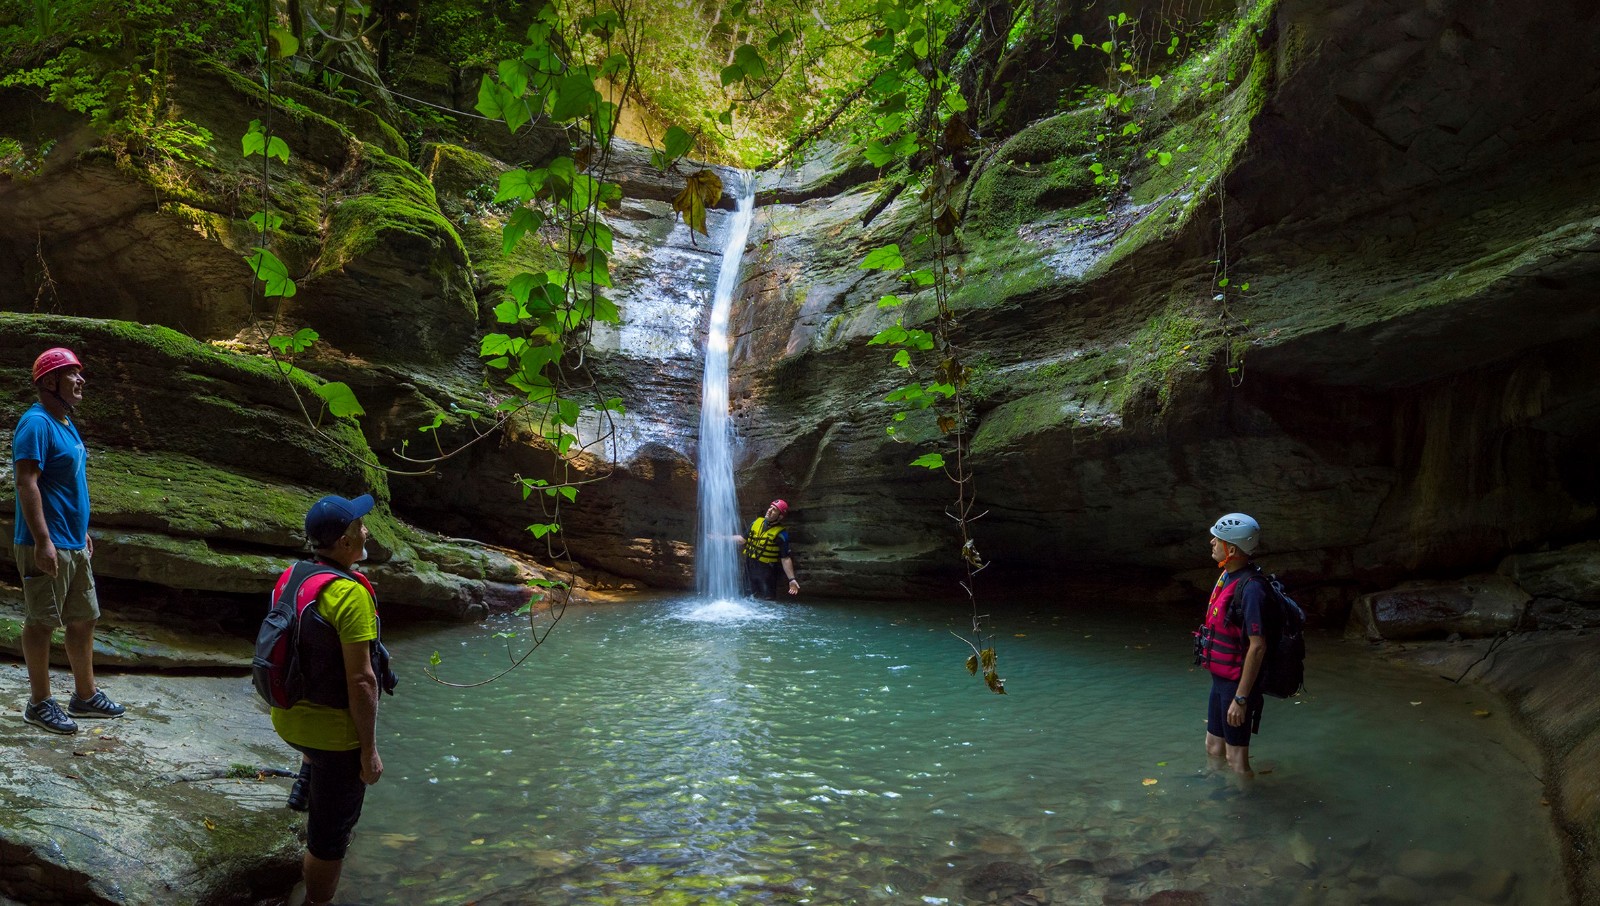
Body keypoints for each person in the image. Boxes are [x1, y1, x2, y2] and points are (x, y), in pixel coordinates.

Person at [272, 493, 391, 906]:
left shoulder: (293, 576)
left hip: (287, 719)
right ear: (344, 541)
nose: (366, 529)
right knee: (330, 838)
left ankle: (304, 783)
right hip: (333, 738)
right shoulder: (350, 595)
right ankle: (316, 902)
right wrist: (369, 752)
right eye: (360, 525)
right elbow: (362, 681)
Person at [11, 347, 124, 735]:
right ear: (48, 382)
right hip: (46, 542)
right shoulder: (35, 424)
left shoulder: (65, 422)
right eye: (71, 374)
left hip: (73, 542)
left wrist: (81, 532)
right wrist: (44, 541)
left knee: (84, 617)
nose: (81, 380)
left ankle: (85, 696)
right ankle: (39, 703)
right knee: (42, 622)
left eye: (79, 373)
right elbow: (27, 482)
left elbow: (67, 484)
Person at [1194, 512, 1267, 778]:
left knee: (1236, 759)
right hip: (1220, 682)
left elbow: (1257, 646)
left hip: (1237, 687)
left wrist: (1241, 698)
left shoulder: (1252, 589)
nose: (1212, 542)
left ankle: (1246, 807)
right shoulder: (1227, 576)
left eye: (1218, 539)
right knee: (1213, 747)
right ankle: (1218, 794)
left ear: (1232, 549)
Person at [738, 499, 799, 599]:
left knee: (768, 601)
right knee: (745, 598)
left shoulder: (781, 534)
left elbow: (785, 558)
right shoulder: (756, 523)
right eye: (770, 507)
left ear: (780, 516)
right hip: (750, 568)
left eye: (774, 509)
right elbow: (742, 540)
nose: (769, 510)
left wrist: (792, 579)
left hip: (767, 571)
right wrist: (722, 538)